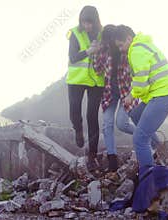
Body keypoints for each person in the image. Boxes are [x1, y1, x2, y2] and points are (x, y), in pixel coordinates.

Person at [114, 25, 168, 170]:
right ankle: (159, 150)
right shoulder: (143, 46)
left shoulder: (136, 50)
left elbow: (141, 82)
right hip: (163, 93)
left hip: (165, 95)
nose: (120, 49)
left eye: (120, 45)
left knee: (139, 139)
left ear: (128, 38)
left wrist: (131, 96)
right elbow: (144, 77)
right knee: (136, 114)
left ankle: (148, 179)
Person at [93, 25, 162, 172]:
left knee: (122, 124)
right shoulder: (104, 51)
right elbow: (97, 69)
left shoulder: (127, 51)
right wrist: (97, 52)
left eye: (110, 42)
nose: (110, 45)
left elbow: (137, 74)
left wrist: (132, 93)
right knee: (107, 124)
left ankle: (155, 141)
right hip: (109, 93)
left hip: (127, 92)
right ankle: (112, 159)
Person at [66, 6, 104, 170]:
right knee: (74, 110)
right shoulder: (75, 33)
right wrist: (89, 51)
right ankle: (78, 130)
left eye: (90, 23)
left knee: (92, 116)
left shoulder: (103, 34)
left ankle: (92, 154)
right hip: (77, 79)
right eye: (84, 22)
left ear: (95, 22)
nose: (87, 26)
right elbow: (73, 58)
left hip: (96, 81)